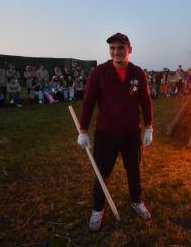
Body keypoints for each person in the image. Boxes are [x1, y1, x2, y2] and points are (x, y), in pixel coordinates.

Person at [77, 32, 153, 232]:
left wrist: (149, 127)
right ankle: (98, 209)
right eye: (112, 48)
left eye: (120, 47)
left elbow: (145, 101)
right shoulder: (99, 72)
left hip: (131, 133)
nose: (116, 52)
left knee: (134, 170)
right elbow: (88, 102)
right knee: (102, 173)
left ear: (129, 49)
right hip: (106, 133)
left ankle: (137, 201)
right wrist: (83, 130)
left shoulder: (137, 74)